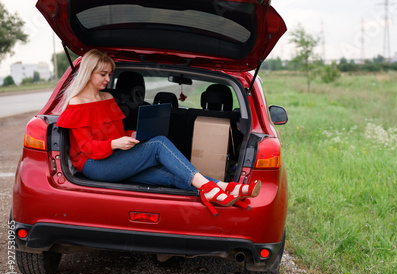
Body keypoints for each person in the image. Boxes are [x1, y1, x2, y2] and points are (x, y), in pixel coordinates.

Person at [56, 49, 260, 216]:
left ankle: (225, 187)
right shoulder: (77, 104)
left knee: (170, 176)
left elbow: (115, 132)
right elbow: (87, 148)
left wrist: (131, 134)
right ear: (88, 72)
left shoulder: (108, 97)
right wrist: (114, 144)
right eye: (103, 74)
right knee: (159, 144)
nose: (108, 79)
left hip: (116, 158)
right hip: (95, 165)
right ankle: (211, 188)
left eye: (110, 74)